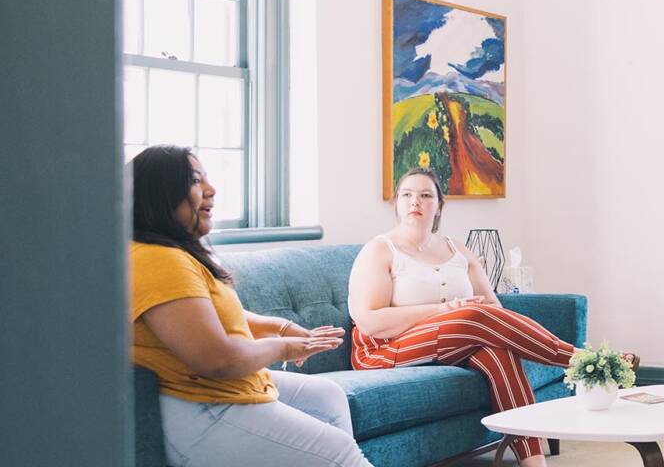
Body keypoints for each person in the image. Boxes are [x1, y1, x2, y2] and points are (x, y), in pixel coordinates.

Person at [348, 168, 633, 467]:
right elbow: (370, 321)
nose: (414, 202)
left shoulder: (456, 248)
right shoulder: (381, 250)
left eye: (425, 195)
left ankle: (534, 463)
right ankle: (581, 360)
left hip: (449, 342)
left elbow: (492, 308)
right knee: (471, 315)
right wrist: (446, 311)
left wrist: (465, 316)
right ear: (396, 203)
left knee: (498, 352)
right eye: (406, 195)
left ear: (439, 206)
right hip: (384, 349)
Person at [130, 145, 373, 467]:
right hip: (204, 406)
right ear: (158, 194)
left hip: (215, 393)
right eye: (194, 180)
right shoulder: (159, 260)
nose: (211, 190)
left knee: (327, 397)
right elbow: (218, 360)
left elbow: (201, 315)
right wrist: (283, 348)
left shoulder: (170, 254)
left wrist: (279, 327)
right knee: (340, 452)